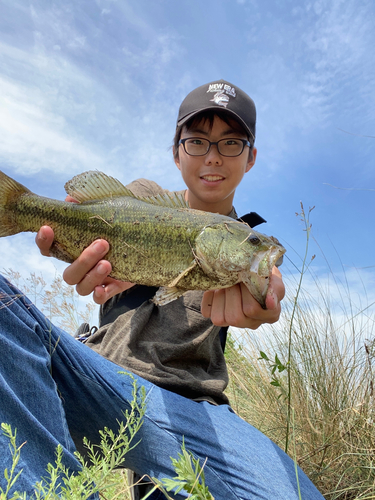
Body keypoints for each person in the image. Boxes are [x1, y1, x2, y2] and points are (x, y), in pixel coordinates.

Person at [0, 80, 324, 499]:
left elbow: (269, 286)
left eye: (231, 143)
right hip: (93, 380)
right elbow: (112, 210)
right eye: (196, 141)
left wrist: (266, 300)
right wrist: (72, 245)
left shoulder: (243, 244)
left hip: (190, 412)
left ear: (250, 157)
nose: (212, 156)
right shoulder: (147, 199)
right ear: (176, 152)